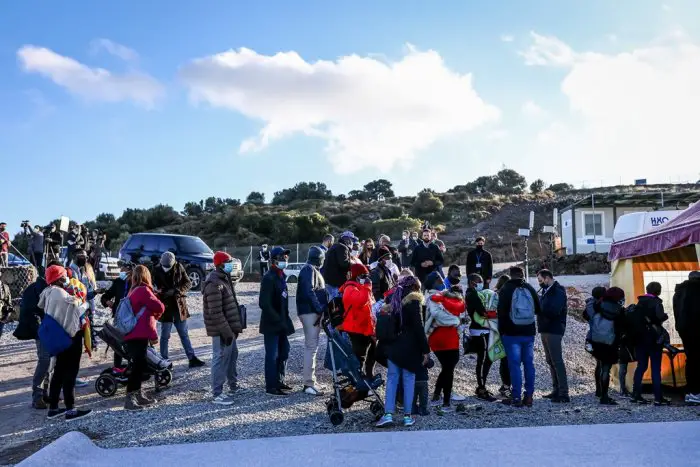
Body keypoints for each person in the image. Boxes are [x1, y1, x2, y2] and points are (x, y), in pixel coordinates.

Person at [38, 265, 92, 421]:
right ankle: (70, 410)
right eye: (64, 276)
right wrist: (86, 305)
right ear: (60, 278)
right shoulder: (60, 293)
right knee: (70, 373)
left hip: (58, 337)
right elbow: (75, 309)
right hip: (70, 337)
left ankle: (53, 408)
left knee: (59, 372)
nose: (67, 278)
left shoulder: (47, 292)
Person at [376, 276, 430, 428]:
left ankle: (388, 414)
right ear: (415, 287)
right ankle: (407, 416)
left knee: (392, 379)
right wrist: (426, 350)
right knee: (408, 379)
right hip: (410, 348)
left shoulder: (393, 298)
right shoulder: (414, 301)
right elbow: (419, 327)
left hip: (393, 346)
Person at [203, 251, 244, 405]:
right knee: (219, 358)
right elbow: (216, 312)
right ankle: (217, 393)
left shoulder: (224, 279)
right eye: (227, 262)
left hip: (228, 328)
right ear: (220, 264)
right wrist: (227, 332)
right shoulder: (214, 283)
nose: (230, 264)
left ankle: (233, 385)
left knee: (232, 355)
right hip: (221, 330)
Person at [13, 263, 56, 409]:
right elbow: (30, 312)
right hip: (42, 331)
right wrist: (40, 328)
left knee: (50, 362)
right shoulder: (35, 289)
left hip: (50, 330)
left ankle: (45, 393)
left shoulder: (51, 287)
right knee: (44, 360)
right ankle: (37, 396)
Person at [123, 265, 165, 411]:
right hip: (138, 334)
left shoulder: (132, 290)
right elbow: (160, 307)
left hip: (133, 333)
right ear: (147, 276)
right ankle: (130, 399)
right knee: (137, 367)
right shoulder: (144, 290)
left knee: (139, 366)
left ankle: (137, 394)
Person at [497, 266, 540, 407]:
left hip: (511, 333)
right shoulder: (529, 288)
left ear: (511, 275)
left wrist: (501, 331)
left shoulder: (505, 289)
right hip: (528, 332)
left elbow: (501, 313)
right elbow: (538, 309)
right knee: (529, 364)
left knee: (514, 365)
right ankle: (529, 396)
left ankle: (516, 397)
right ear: (522, 275)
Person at [153, 252, 204, 368]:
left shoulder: (179, 267)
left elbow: (188, 283)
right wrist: (158, 291)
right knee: (165, 336)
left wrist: (176, 291)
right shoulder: (156, 270)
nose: (166, 269)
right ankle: (164, 361)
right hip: (165, 308)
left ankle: (192, 358)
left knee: (184, 334)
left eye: (168, 267)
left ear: (173, 263)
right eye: (164, 266)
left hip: (178, 307)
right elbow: (152, 285)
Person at [424, 272, 464, 411]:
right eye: (440, 279)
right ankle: (446, 402)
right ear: (434, 281)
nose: (443, 281)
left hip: (439, 337)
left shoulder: (439, 295)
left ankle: (436, 395)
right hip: (446, 337)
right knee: (449, 369)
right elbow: (437, 314)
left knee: (447, 368)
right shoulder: (433, 297)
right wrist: (455, 321)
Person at [259, 246, 295, 396]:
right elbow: (264, 304)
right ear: (273, 260)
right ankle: (271, 386)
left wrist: (285, 321)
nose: (285, 260)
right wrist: (278, 320)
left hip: (281, 323)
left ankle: (279, 380)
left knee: (284, 351)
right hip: (271, 325)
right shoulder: (269, 278)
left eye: (286, 257)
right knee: (272, 355)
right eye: (282, 257)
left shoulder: (281, 276)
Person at [629, 282, 670, 406]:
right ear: (658, 291)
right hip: (654, 340)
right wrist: (665, 316)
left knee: (641, 366)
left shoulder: (640, 303)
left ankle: (636, 395)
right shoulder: (657, 303)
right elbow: (659, 318)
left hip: (640, 339)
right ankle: (658, 398)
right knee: (655, 369)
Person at [296, 246, 328, 396]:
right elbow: (309, 291)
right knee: (311, 347)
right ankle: (308, 383)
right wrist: (319, 308)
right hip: (310, 312)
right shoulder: (308, 270)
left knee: (312, 347)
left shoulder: (310, 269)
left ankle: (311, 381)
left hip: (311, 312)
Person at [536, 269, 570, 403]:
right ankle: (556, 389)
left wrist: (539, 307)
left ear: (547, 278)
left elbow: (554, 310)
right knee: (550, 361)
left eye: (540, 280)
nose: (539, 283)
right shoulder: (546, 291)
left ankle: (563, 393)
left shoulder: (558, 291)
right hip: (545, 328)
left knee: (557, 361)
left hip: (554, 329)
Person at [589, 287, 626, 405]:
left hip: (596, 341)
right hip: (610, 343)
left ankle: (599, 392)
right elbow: (621, 328)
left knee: (599, 366)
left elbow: (587, 315)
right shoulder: (620, 310)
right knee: (606, 369)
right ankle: (604, 397)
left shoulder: (598, 305)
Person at [340, 263, 376, 379]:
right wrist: (367, 287)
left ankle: (367, 377)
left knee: (371, 353)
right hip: (356, 328)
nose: (366, 278)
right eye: (363, 275)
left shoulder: (358, 287)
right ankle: (357, 381)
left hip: (364, 326)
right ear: (356, 276)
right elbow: (362, 301)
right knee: (359, 356)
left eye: (367, 275)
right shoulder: (350, 288)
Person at [465, 273, 498, 401]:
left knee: (485, 358)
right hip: (479, 330)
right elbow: (482, 311)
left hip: (480, 329)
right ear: (472, 282)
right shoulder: (472, 294)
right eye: (479, 281)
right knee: (483, 359)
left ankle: (482, 385)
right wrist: (494, 315)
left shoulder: (472, 293)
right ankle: (481, 387)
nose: (481, 284)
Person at [101, 261, 133, 368]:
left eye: (124, 270)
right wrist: (107, 302)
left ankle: (132, 366)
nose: (122, 272)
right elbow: (105, 296)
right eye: (121, 270)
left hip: (131, 319)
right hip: (118, 318)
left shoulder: (136, 284)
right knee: (118, 344)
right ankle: (117, 367)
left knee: (131, 345)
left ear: (131, 272)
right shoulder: (118, 282)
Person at [674, 271, 700, 405]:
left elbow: (676, 312)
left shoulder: (678, 292)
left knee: (691, 360)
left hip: (684, 331)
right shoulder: (696, 291)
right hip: (696, 330)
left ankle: (691, 391)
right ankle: (696, 392)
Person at [492, 275, 512, 397]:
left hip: (499, 329)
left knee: (503, 359)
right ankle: (508, 385)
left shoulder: (496, 295)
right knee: (511, 359)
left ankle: (505, 385)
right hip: (512, 329)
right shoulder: (511, 294)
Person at [322, 231, 356, 300]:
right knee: (337, 304)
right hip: (335, 283)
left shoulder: (336, 246)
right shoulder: (342, 248)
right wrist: (354, 263)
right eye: (352, 240)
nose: (353, 243)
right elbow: (344, 264)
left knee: (331, 303)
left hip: (329, 281)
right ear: (348, 240)